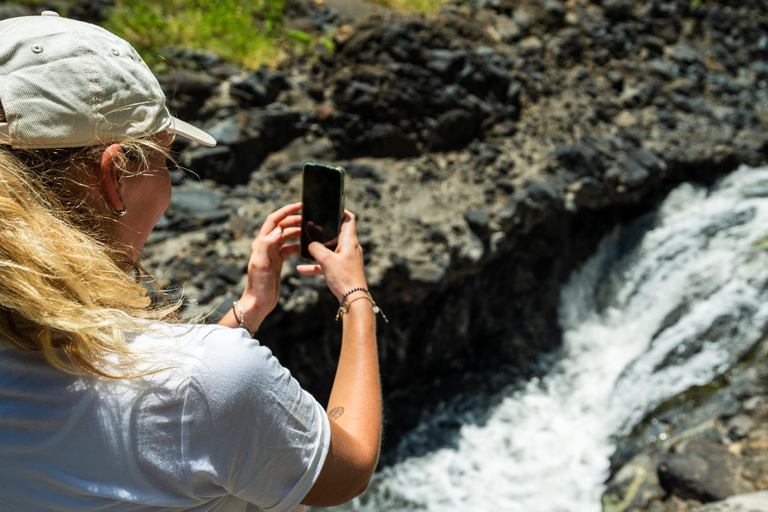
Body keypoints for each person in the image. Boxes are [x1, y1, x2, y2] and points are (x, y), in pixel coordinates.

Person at [0, 11, 383, 512]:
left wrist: (250, 306)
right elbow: (347, 471)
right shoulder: (209, 380)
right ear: (114, 176)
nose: (169, 181)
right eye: (164, 156)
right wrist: (356, 297)